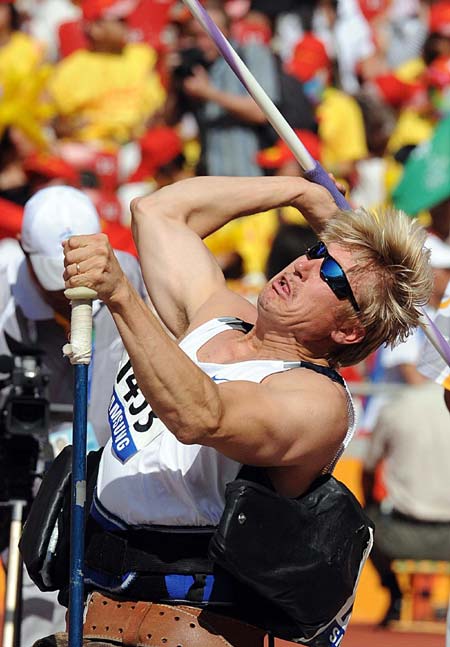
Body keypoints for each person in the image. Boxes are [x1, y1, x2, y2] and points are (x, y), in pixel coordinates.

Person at [33, 174, 432, 647]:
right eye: (317, 251)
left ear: (349, 331)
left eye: (332, 277)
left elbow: (202, 416)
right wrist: (298, 193)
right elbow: (157, 212)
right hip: (92, 614)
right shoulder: (215, 314)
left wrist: (122, 296)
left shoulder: (317, 400)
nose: (306, 266)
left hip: (190, 631)